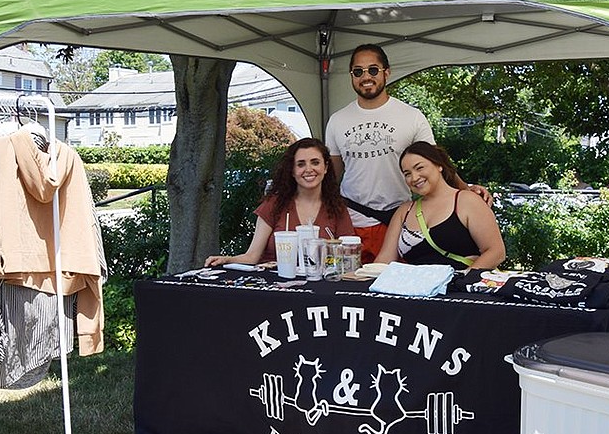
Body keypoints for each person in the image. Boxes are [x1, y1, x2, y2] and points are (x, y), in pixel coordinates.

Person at [326, 44, 491, 263]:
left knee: (394, 288)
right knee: (354, 286)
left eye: (373, 70)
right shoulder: (337, 120)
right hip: (352, 222)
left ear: (387, 72)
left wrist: (465, 189)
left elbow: (435, 162)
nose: (366, 76)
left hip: (400, 219)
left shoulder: (411, 116)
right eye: (358, 71)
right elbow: (329, 177)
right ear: (352, 76)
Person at [205, 138, 354, 267]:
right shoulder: (274, 204)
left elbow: (349, 255)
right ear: (292, 170)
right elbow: (251, 256)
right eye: (301, 164)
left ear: (326, 167)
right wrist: (227, 260)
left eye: (315, 162)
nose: (309, 169)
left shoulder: (337, 208)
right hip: (274, 287)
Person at [374, 142, 505, 270]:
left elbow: (496, 252)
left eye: (419, 168)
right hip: (416, 287)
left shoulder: (467, 200)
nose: (414, 178)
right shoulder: (404, 211)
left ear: (439, 165)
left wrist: (463, 278)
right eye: (407, 174)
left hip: (460, 287)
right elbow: (384, 260)